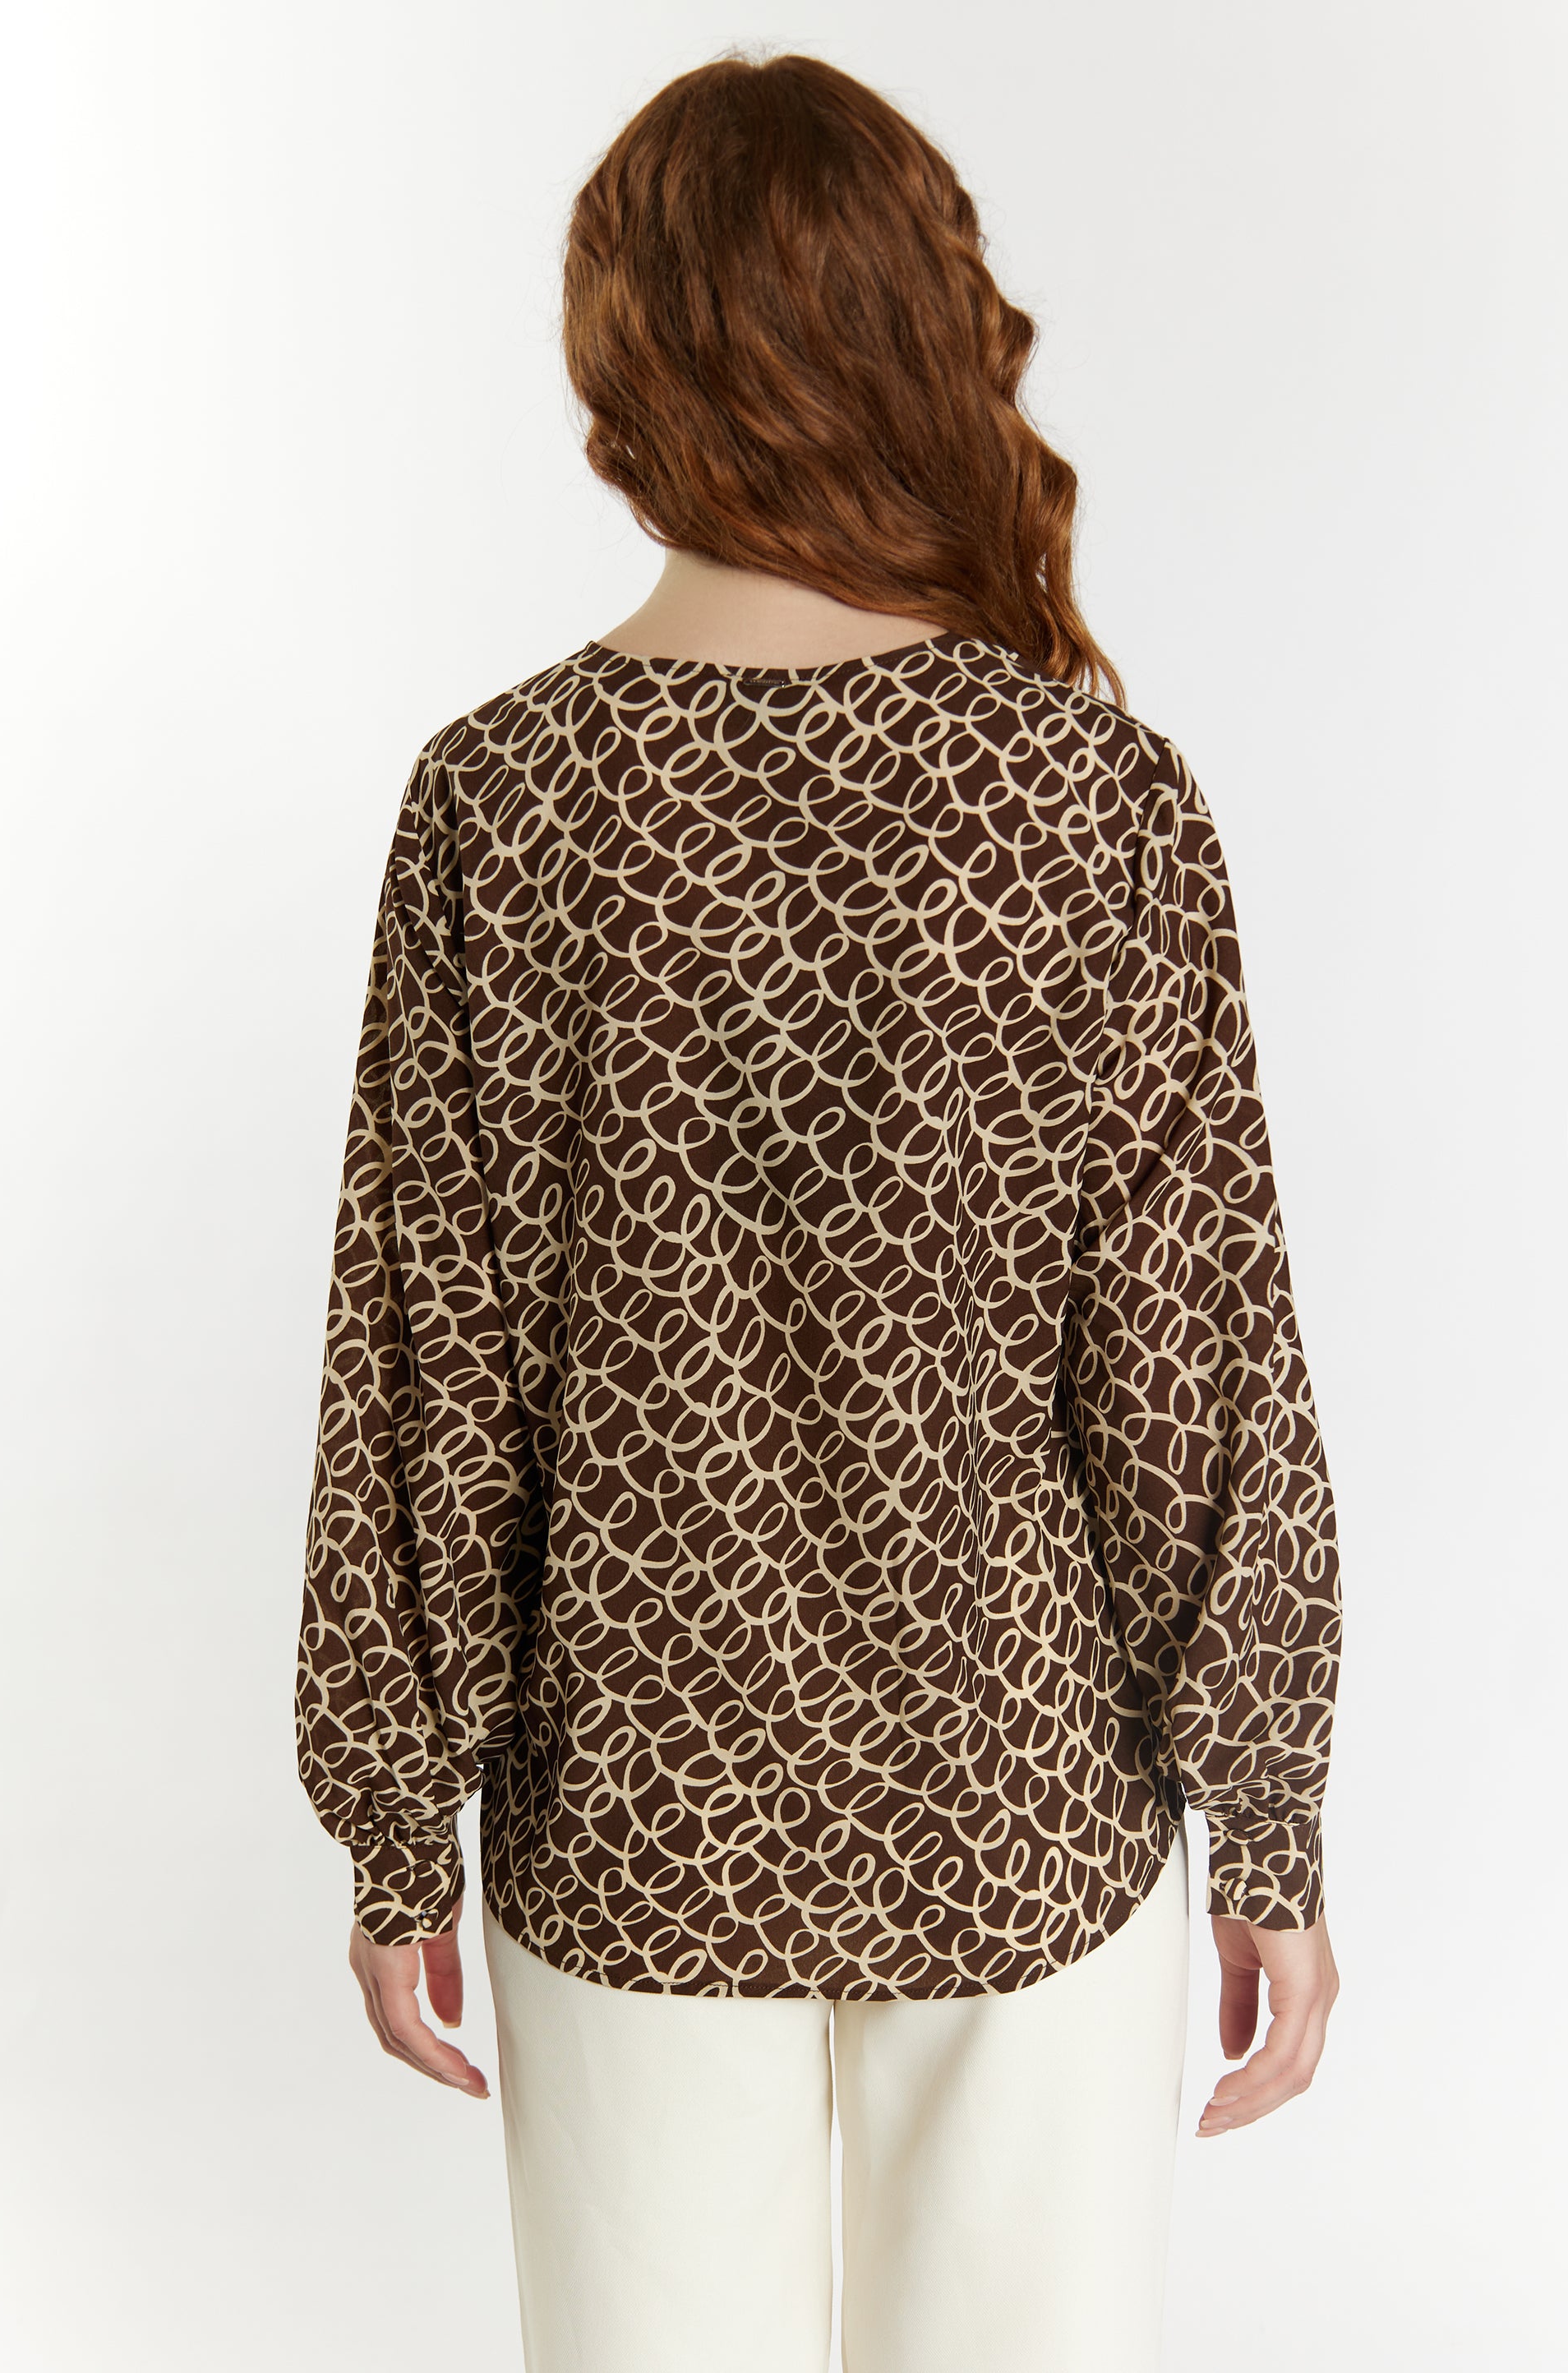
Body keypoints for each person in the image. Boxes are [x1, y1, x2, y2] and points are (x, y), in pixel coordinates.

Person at [295, 48, 1342, 2373]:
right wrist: (1268, 1820)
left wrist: (393, 1814)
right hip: (1021, 1793)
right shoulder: (1089, 796)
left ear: (623, 362)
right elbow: (1194, 1360)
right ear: (920, 332)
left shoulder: (499, 806)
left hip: (630, 1804)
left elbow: (425, 1368)